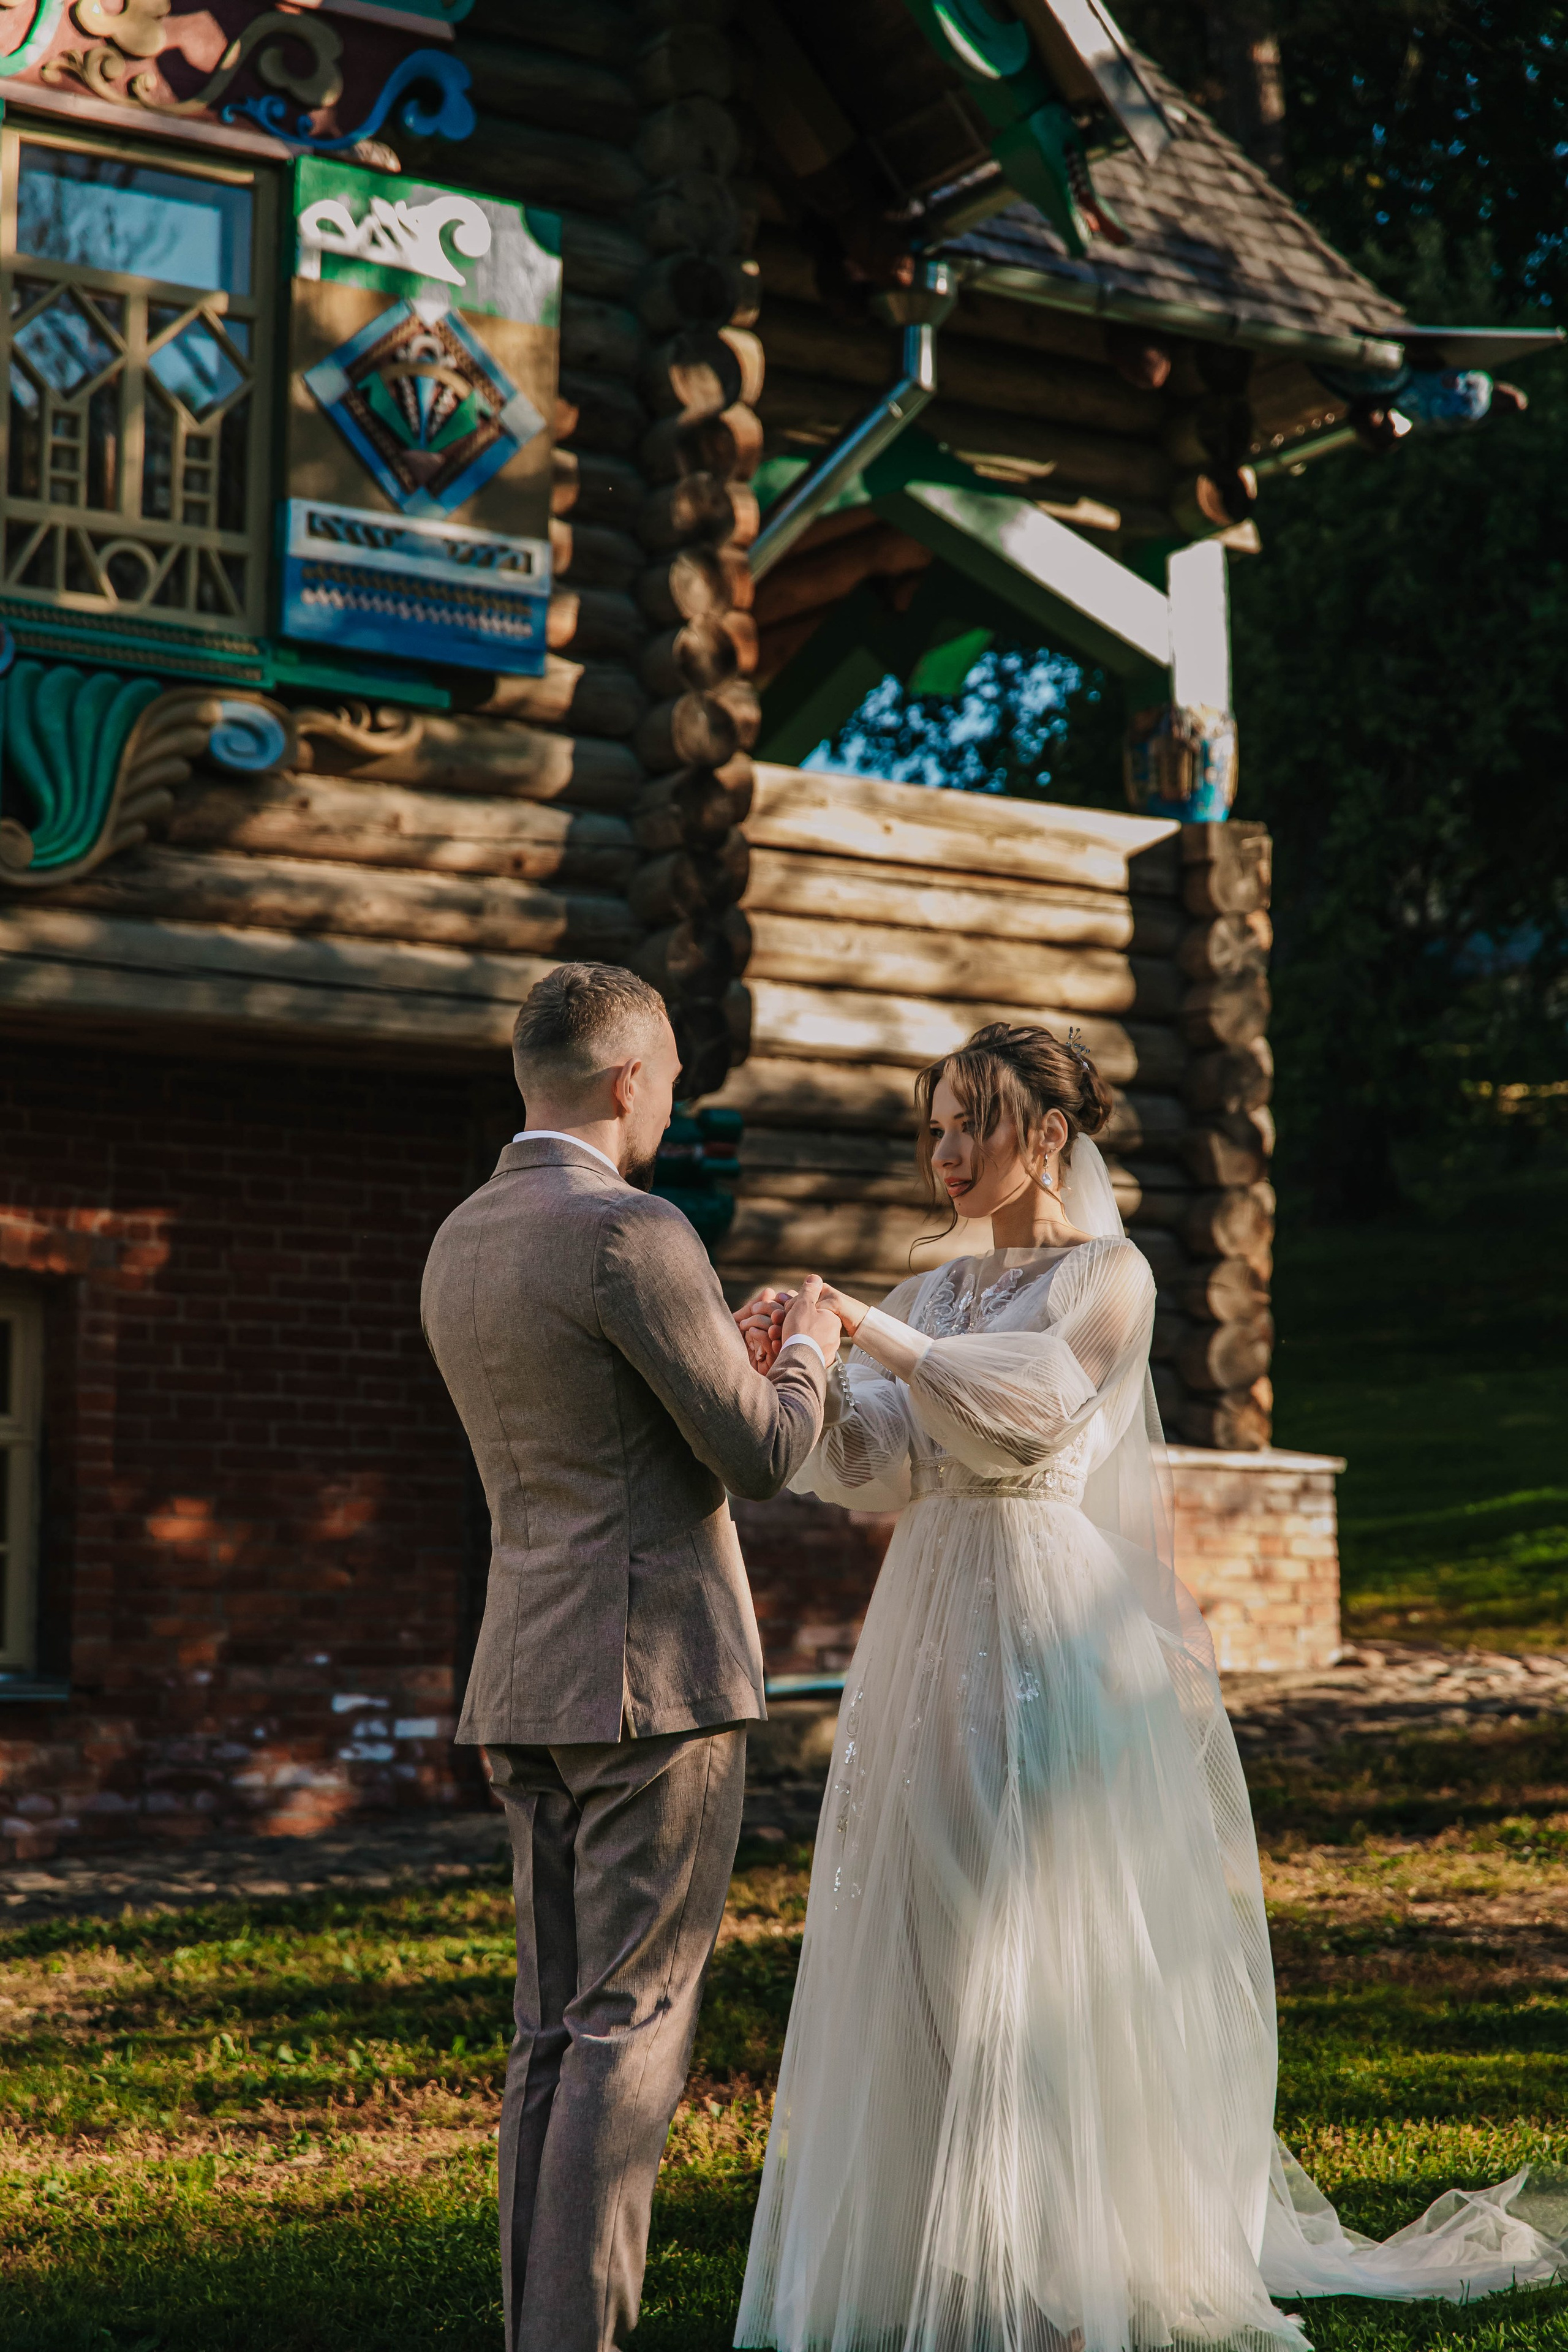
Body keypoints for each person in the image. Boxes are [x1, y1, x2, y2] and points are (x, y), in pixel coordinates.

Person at [733, 1020, 1568, 2352]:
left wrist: (865, 1329)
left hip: (1042, 1616)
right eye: (934, 1129)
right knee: (925, 1925)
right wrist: (804, 1359)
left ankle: (1074, 2275)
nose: (946, 1152)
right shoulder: (934, 1292)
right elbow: (878, 1461)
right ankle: (961, 2257)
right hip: (927, 1614)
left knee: (1036, 1928)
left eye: (972, 1124)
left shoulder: (1109, 1275)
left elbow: (1025, 1415)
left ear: (1048, 1135)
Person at [420, 961, 840, 2352]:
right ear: (624, 1080)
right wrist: (807, 1348)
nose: (668, 1104)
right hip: (651, 1679)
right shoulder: (630, 1228)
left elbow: (604, 1421)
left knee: (550, 2032)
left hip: (521, 1672)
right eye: (665, 1080)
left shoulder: (461, 1238)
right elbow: (762, 1455)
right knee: (629, 2030)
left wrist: (725, 1350)